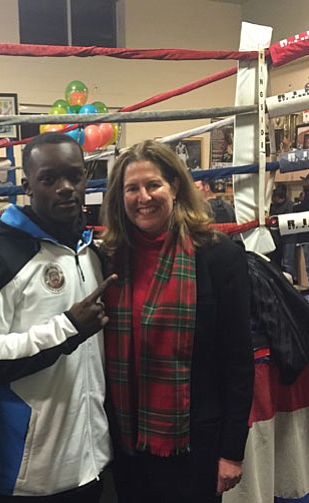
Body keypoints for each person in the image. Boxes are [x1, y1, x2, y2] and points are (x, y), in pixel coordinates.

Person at [0, 132, 114, 502]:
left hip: (92, 461)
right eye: (49, 179)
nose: (65, 188)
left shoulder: (89, 251)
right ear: (27, 185)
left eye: (74, 176)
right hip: (28, 475)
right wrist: (67, 328)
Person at [100, 140, 254, 502]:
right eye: (132, 188)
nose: (144, 197)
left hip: (195, 443)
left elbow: (238, 362)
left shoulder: (218, 256)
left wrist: (232, 450)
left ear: (174, 187)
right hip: (127, 445)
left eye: (153, 185)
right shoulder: (109, 259)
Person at [269, 184, 296, 281]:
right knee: (276, 262)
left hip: (289, 238)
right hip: (276, 238)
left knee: (288, 263)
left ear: (277, 197)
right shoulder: (273, 206)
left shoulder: (290, 206)